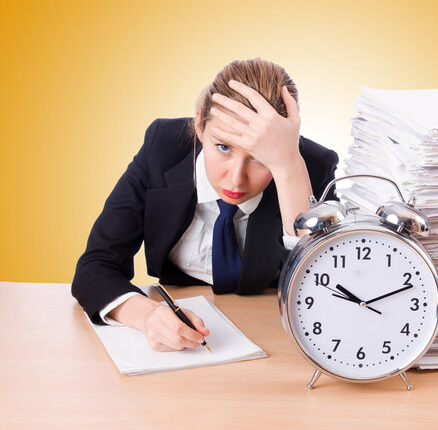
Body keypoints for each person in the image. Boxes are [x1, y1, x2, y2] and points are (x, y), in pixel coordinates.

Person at [72, 58, 339, 352]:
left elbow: (332, 287)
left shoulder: (310, 167)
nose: (236, 180)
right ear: (199, 126)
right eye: (223, 147)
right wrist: (148, 315)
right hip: (187, 337)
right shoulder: (162, 147)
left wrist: (288, 167)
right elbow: (96, 266)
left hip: (274, 338)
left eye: (259, 157)